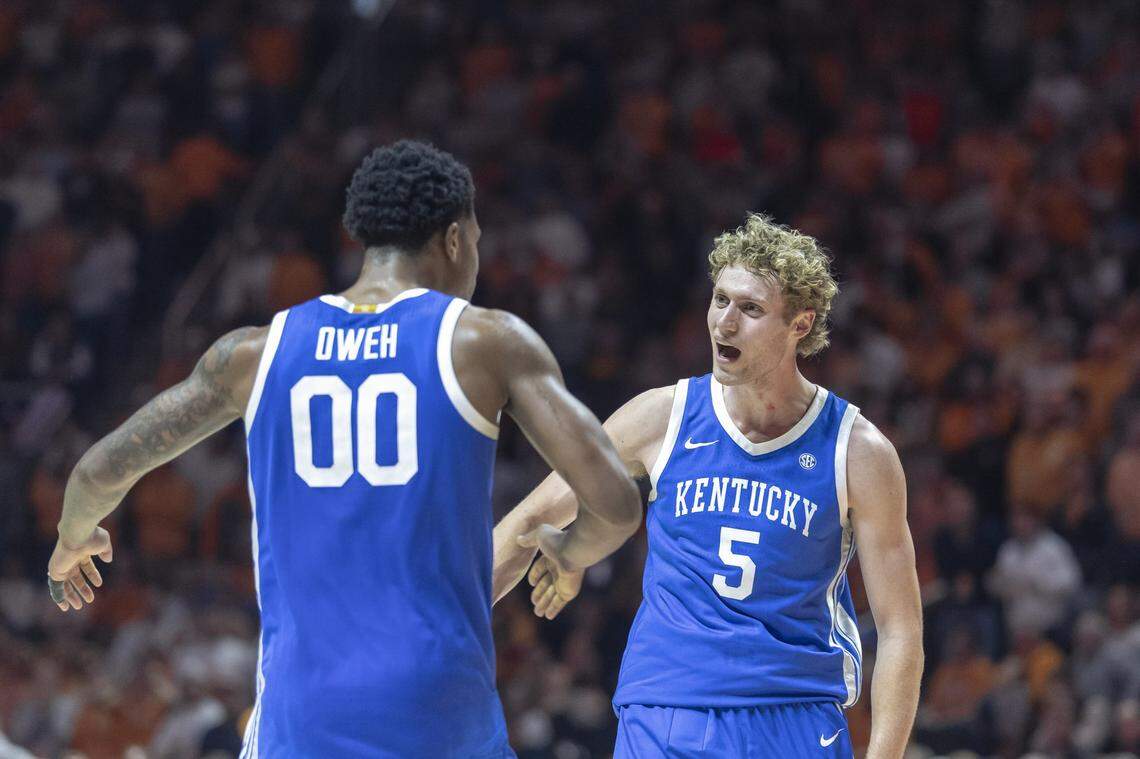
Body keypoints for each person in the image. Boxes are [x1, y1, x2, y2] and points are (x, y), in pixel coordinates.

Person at [46, 140, 642, 758]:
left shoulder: (253, 353)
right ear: (455, 239)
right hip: (438, 709)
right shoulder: (486, 342)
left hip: (303, 715)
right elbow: (617, 506)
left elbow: (99, 470)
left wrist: (73, 539)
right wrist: (571, 554)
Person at [493, 213, 924, 757]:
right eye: (720, 300)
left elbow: (900, 627)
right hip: (667, 708)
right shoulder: (660, 418)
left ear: (800, 325)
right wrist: (438, 634)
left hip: (792, 716)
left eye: (750, 309)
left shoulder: (857, 451)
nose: (724, 323)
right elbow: (533, 518)